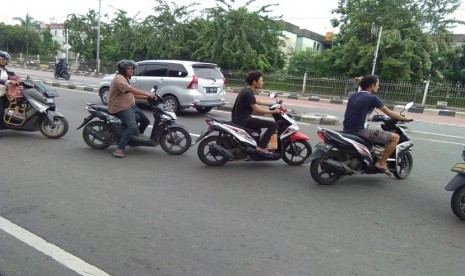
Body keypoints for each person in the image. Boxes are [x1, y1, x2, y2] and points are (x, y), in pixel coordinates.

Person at [343, 74, 412, 177]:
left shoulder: (353, 96)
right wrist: (404, 118)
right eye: (377, 84)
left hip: (347, 128)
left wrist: (370, 118)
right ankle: (381, 163)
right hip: (359, 130)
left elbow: (357, 112)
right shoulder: (372, 98)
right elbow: (390, 113)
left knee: (376, 133)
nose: (378, 87)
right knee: (395, 138)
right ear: (372, 85)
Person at [108, 59, 156, 158]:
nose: (132, 71)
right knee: (131, 126)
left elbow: (131, 94)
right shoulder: (119, 79)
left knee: (146, 121)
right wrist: (147, 94)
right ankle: (119, 149)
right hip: (121, 108)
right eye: (129, 69)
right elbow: (131, 90)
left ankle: (134, 139)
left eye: (132, 69)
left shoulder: (125, 78)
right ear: (123, 69)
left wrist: (148, 97)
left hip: (130, 106)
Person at [231, 70, 282, 155]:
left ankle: (255, 148)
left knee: (258, 130)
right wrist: (273, 111)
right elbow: (257, 109)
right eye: (261, 81)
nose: (262, 83)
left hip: (239, 118)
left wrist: (271, 104)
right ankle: (261, 147)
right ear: (254, 82)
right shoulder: (248, 93)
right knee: (273, 125)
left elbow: (256, 101)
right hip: (243, 120)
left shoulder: (246, 90)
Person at [0, 51, 19, 129]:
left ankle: (10, 123)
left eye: (5, 60)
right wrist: (9, 81)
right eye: (2, 59)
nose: (4, 61)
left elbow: (12, 75)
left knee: (15, 106)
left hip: (4, 94)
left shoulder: (4, 70)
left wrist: (18, 79)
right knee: (0, 112)